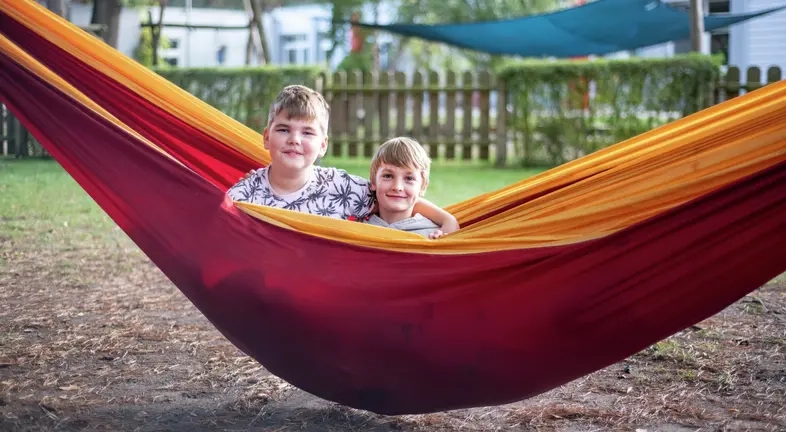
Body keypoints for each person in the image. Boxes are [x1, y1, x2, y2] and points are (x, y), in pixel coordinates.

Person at [226, 85, 459, 233]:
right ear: (267, 137)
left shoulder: (342, 187)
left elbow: (394, 195)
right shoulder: (243, 196)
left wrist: (446, 219)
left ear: (323, 145)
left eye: (307, 133)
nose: (294, 140)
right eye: (284, 129)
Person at [364, 137, 444, 239]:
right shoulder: (355, 227)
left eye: (409, 178)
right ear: (373, 181)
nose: (397, 187)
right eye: (388, 176)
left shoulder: (434, 235)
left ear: (422, 186)